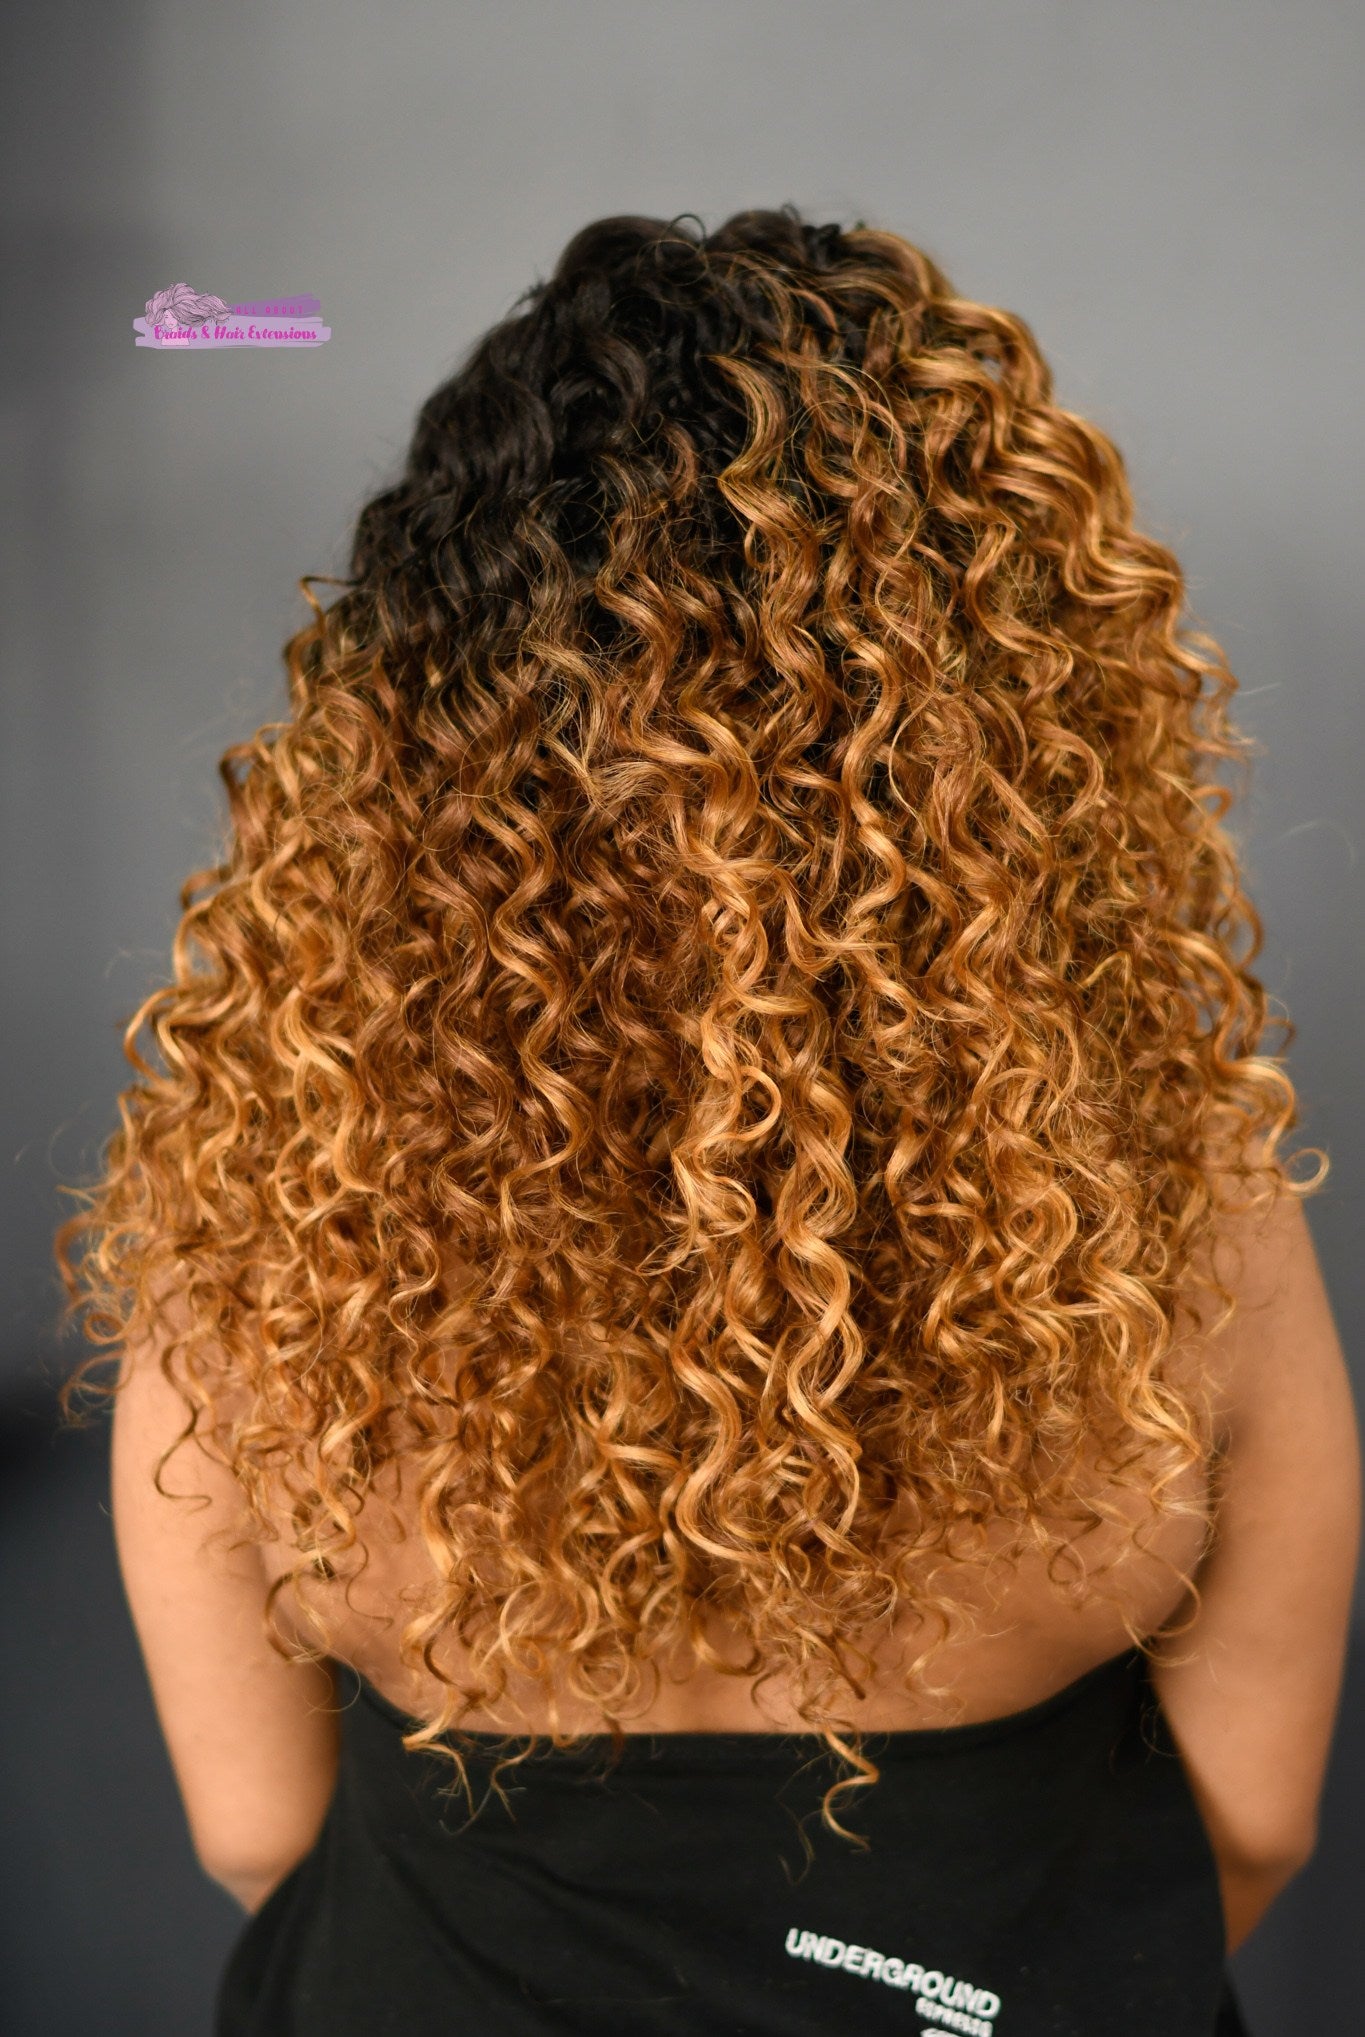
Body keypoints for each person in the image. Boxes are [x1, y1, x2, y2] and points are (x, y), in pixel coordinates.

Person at [57, 206, 1359, 2037]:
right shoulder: (1181, 1201)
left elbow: (258, 1827)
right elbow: (1255, 1821)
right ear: (1003, 728)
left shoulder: (269, 1209)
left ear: (418, 721)